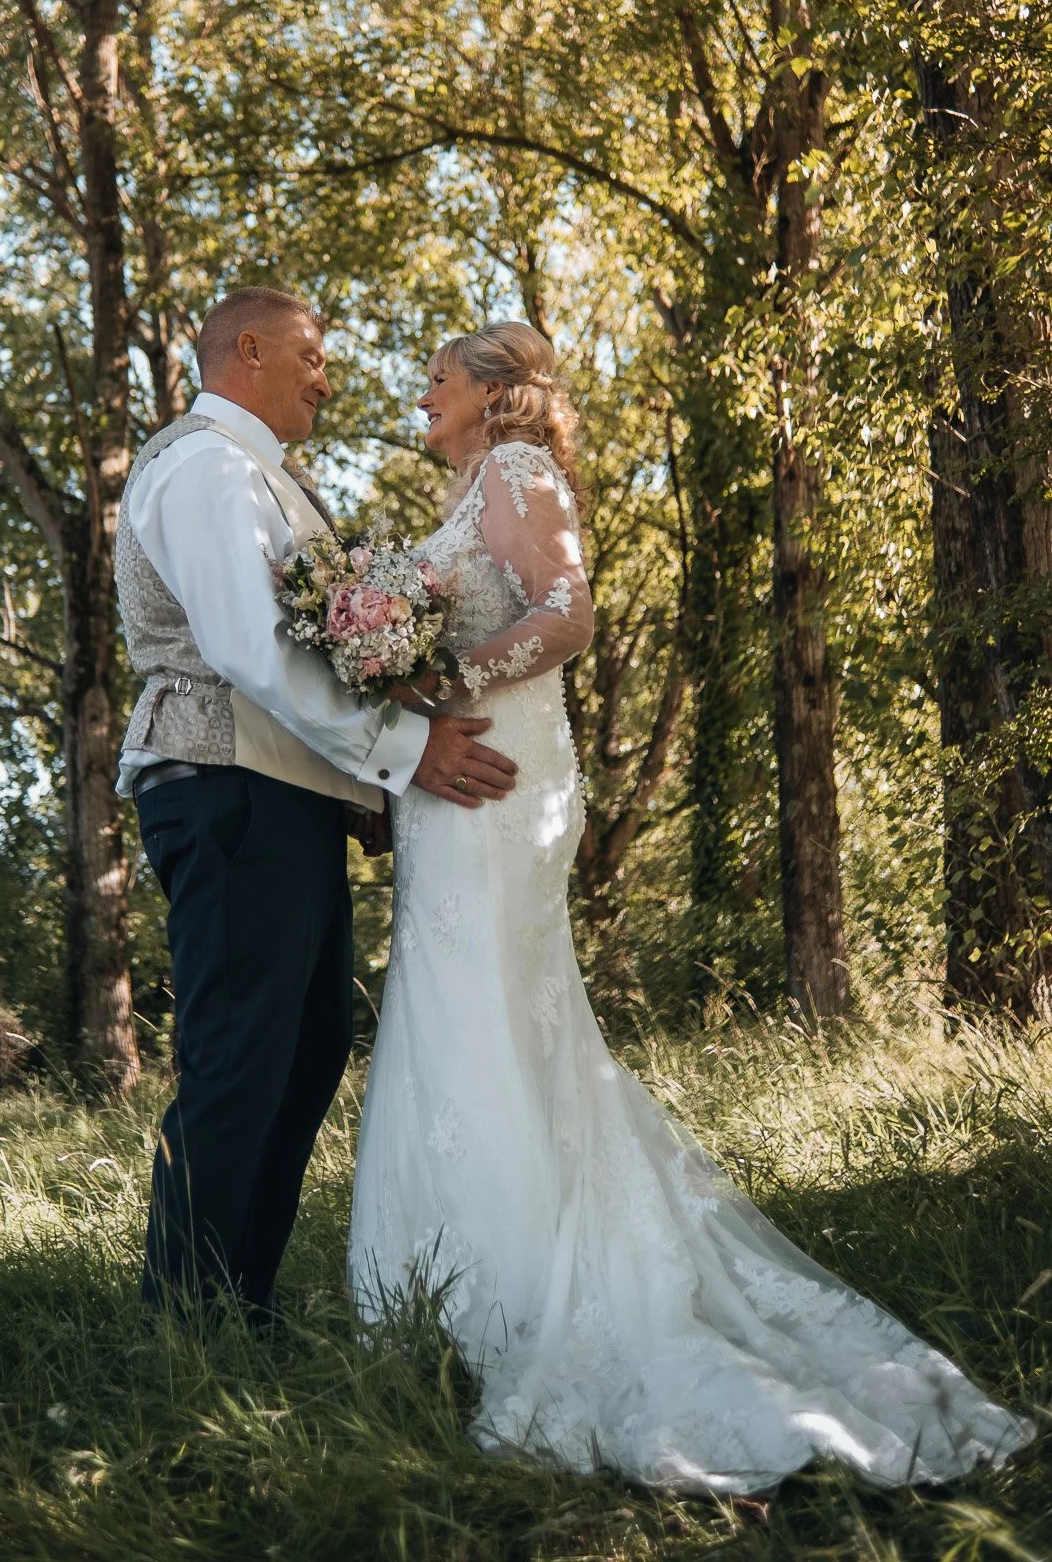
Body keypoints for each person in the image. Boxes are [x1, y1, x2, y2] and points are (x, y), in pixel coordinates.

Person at [349, 318, 1034, 1494]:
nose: (423, 388)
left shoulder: (518, 473)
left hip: (502, 775)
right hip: (448, 776)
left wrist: (448, 679)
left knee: (496, 1007)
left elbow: (568, 614)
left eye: (441, 373)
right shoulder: (468, 487)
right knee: (452, 1005)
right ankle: (447, 1282)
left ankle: (524, 1283)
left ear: (496, 392)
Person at [116, 286, 517, 1313]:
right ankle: (189, 1318)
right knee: (242, 1052)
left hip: (280, 793)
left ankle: (236, 1299)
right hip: (224, 785)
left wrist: (353, 783)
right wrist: (402, 750)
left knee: (305, 1047)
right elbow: (251, 648)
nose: (326, 377)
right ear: (247, 349)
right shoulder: (207, 466)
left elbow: (302, 651)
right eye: (311, 353)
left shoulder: (264, 475)